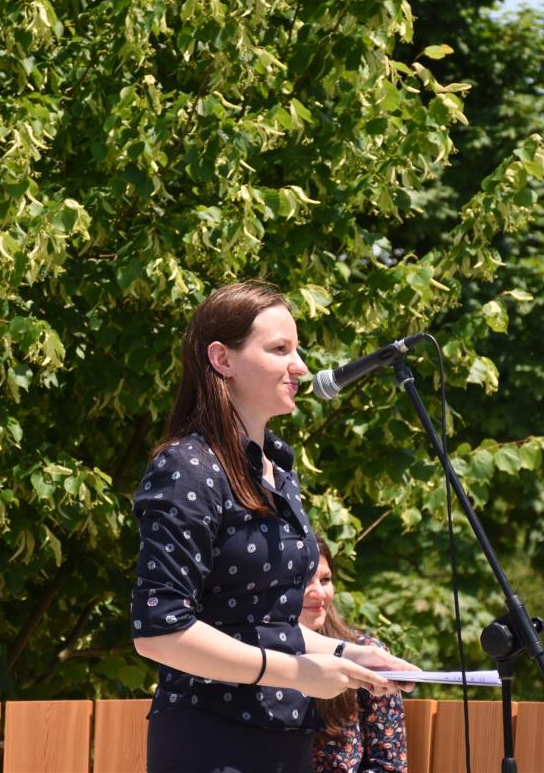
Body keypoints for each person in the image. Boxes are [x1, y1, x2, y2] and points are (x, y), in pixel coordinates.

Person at [130, 281, 415, 773]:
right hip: (210, 741)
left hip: (286, 739)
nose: (300, 367)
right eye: (280, 349)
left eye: (296, 350)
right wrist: (296, 672)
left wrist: (353, 655)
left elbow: (267, 623)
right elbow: (159, 631)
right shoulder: (188, 467)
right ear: (222, 359)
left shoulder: (278, 468)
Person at [304, 538, 408, 772]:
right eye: (303, 581)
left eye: (325, 580)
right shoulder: (254, 652)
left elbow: (389, 765)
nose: (319, 593)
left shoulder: (367, 655)